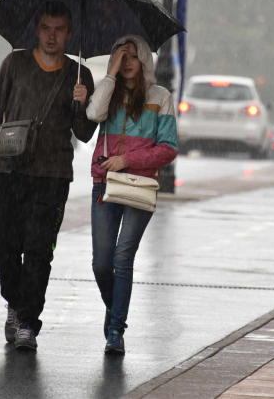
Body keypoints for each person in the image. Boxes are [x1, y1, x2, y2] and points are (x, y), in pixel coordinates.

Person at [0, 1, 97, 351]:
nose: (52, 37)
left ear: (69, 33)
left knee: (38, 252)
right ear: (37, 30)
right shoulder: (15, 63)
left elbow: (83, 134)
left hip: (52, 177)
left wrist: (83, 104)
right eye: (46, 29)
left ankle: (27, 324)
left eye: (60, 30)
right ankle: (16, 304)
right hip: (10, 172)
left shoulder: (79, 75)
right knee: (6, 249)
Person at [86, 35, 178, 355]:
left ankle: (115, 330)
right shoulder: (108, 92)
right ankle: (115, 312)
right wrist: (108, 76)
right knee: (101, 263)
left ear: (144, 61)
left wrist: (129, 160)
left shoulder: (160, 97)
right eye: (120, 57)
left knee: (122, 259)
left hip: (139, 185)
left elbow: (168, 148)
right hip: (105, 183)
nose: (126, 63)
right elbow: (93, 115)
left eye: (132, 57)